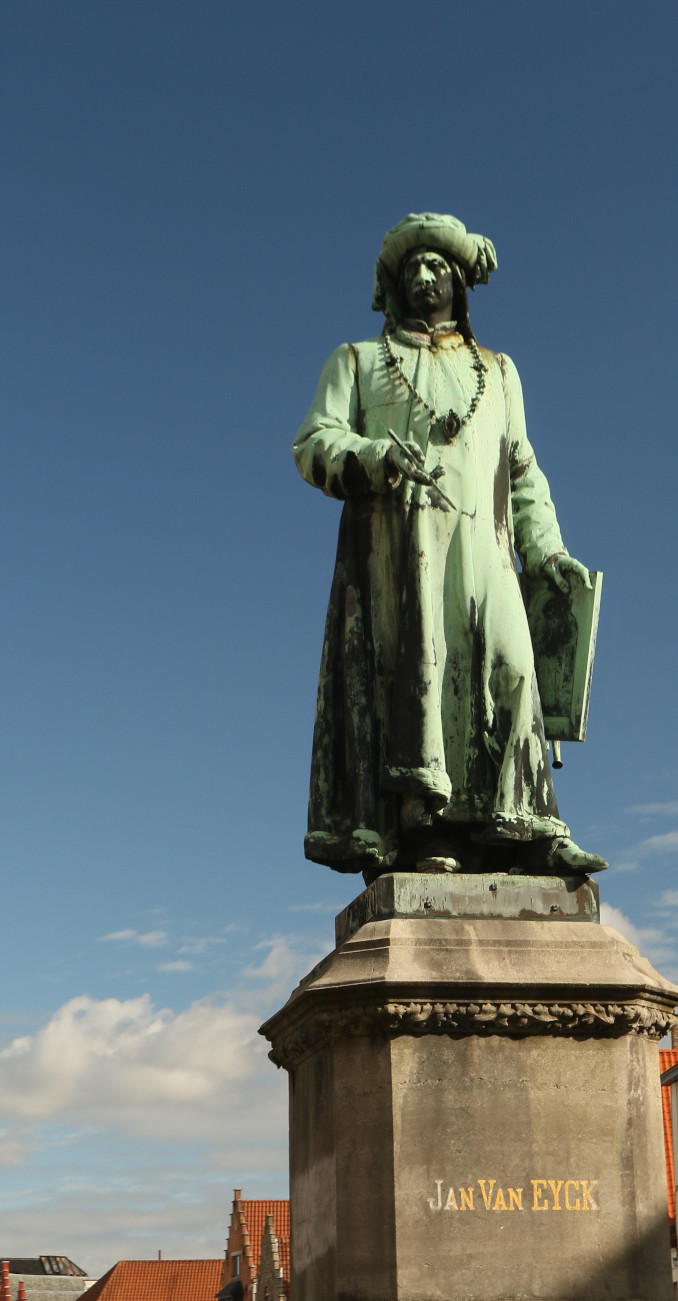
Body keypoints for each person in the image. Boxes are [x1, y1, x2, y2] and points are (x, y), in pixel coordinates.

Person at [293, 212, 606, 878]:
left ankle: (526, 826)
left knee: (514, 671)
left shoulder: (498, 370)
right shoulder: (357, 360)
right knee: (423, 687)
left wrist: (546, 551)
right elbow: (315, 443)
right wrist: (373, 457)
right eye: (412, 267)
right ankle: (427, 830)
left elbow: (521, 469)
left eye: (437, 266)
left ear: (460, 283)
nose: (424, 276)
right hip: (404, 554)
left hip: (487, 549)